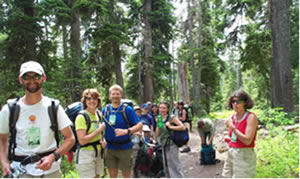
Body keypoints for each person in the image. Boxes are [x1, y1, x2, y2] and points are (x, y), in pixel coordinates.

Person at [0, 61, 75, 177]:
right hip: (21, 172)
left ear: (43, 78)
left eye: (36, 76)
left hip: (51, 172)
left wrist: (53, 156)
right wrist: (4, 163)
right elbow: (2, 139)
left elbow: (70, 138)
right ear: (21, 79)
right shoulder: (9, 109)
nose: (32, 80)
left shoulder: (53, 107)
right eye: (27, 77)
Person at [102, 84, 143, 178]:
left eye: (117, 93)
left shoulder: (127, 110)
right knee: (112, 175)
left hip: (125, 147)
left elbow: (139, 125)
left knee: (126, 174)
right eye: (113, 94)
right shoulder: (106, 110)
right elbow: (102, 126)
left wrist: (127, 131)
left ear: (121, 95)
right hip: (109, 148)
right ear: (110, 96)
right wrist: (102, 139)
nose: (115, 96)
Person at [222, 89, 258, 178]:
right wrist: (228, 138)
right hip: (231, 152)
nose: (235, 104)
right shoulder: (232, 117)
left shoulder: (251, 117)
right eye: (233, 101)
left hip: (244, 154)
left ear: (245, 103)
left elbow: (247, 141)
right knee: (227, 176)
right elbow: (235, 136)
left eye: (238, 101)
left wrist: (232, 127)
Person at [75, 88, 106, 178]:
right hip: (85, 154)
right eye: (88, 99)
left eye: (94, 98)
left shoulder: (98, 114)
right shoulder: (81, 117)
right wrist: (98, 130)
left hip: (98, 153)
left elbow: (100, 134)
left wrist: (103, 140)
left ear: (98, 101)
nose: (92, 101)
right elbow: (82, 141)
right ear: (84, 101)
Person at [156, 101, 185, 178]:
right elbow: (157, 133)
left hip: (172, 143)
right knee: (166, 164)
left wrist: (171, 127)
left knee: (174, 164)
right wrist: (158, 125)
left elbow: (182, 127)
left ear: (168, 109)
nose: (162, 109)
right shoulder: (159, 118)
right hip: (163, 143)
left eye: (164, 108)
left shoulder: (171, 117)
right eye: (160, 108)